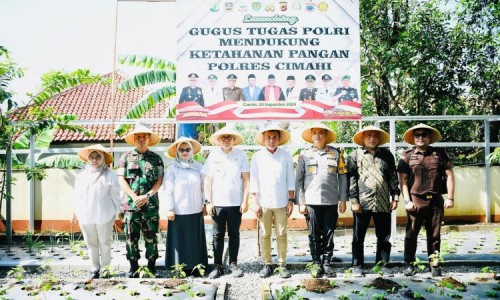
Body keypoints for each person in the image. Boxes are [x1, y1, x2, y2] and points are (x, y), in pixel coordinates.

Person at [397, 123, 455, 277]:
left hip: (436, 200)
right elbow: (402, 180)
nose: (421, 137)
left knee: (435, 235)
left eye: (424, 135)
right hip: (416, 200)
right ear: (413, 138)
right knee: (411, 234)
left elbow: (449, 175)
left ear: (429, 138)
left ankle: (434, 264)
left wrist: (450, 197)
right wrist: (407, 201)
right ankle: (408, 264)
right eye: (418, 135)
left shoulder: (440, 153)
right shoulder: (407, 155)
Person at [295, 122, 348, 277]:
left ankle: (327, 262)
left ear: (326, 136)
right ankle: (316, 262)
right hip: (311, 201)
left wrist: (343, 199)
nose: (317, 136)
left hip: (330, 201)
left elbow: (343, 177)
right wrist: (301, 202)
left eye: (321, 133)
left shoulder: (336, 154)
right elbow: (298, 180)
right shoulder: (304, 155)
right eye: (314, 133)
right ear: (311, 136)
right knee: (313, 233)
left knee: (329, 233)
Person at [347, 126, 400, 277]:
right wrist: (354, 200)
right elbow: (351, 179)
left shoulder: (387, 155)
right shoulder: (355, 155)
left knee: (384, 236)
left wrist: (395, 197)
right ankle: (357, 265)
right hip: (362, 203)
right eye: (369, 136)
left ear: (379, 139)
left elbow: (393, 177)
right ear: (363, 138)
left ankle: (382, 264)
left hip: (383, 202)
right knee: (358, 236)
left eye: (375, 136)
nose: (372, 138)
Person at [202, 126, 250, 279]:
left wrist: (245, 200)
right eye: (224, 137)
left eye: (230, 137)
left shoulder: (241, 155)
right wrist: (208, 202)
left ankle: (234, 263)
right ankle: (218, 265)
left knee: (234, 234)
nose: (227, 140)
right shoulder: (213, 156)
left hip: (236, 203)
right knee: (217, 235)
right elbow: (207, 181)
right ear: (219, 140)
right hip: (217, 203)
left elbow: (246, 179)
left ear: (234, 140)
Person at [117, 125, 164, 278]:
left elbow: (159, 180)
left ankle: (151, 267)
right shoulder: (125, 158)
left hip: (150, 205)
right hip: (131, 205)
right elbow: (121, 179)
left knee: (151, 236)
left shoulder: (157, 158)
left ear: (149, 139)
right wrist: (134, 196)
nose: (141, 139)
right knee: (131, 236)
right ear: (134, 139)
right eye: (138, 137)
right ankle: (134, 267)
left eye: (144, 136)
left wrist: (147, 196)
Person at [250, 124, 295, 278]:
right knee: (265, 234)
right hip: (263, 202)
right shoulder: (257, 157)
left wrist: (290, 200)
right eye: (268, 137)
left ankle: (282, 264)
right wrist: (254, 202)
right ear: (263, 139)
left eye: (274, 137)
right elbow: (254, 181)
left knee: (282, 234)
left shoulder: (286, 155)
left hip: (282, 202)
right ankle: (267, 264)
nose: (271, 140)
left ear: (279, 139)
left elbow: (290, 179)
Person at [74, 144, 121, 280]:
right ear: (88, 159)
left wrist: (118, 213)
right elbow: (77, 196)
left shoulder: (110, 175)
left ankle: (106, 269)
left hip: (105, 214)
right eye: (92, 157)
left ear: (103, 159)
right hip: (85, 215)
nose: (95, 160)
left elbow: (116, 196)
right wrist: (75, 212)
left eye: (98, 157)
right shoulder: (81, 176)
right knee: (91, 243)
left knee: (105, 242)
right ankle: (95, 268)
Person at [162, 137, 208, 274]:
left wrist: (205, 203)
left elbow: (203, 187)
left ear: (192, 151)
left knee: (194, 241)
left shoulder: (199, 167)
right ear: (177, 152)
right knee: (179, 241)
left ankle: (196, 267)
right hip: (178, 211)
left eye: (188, 149)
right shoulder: (172, 169)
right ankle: (179, 268)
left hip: (195, 210)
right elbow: (167, 189)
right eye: (181, 150)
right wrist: (169, 208)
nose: (185, 152)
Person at [178, 73, 204, 139]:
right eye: (191, 80)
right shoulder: (185, 89)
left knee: (197, 131)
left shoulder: (199, 89)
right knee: (186, 132)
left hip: (197, 114)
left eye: (194, 80)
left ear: (197, 81)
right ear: (189, 81)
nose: (193, 81)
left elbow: (202, 102)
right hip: (188, 114)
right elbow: (181, 102)